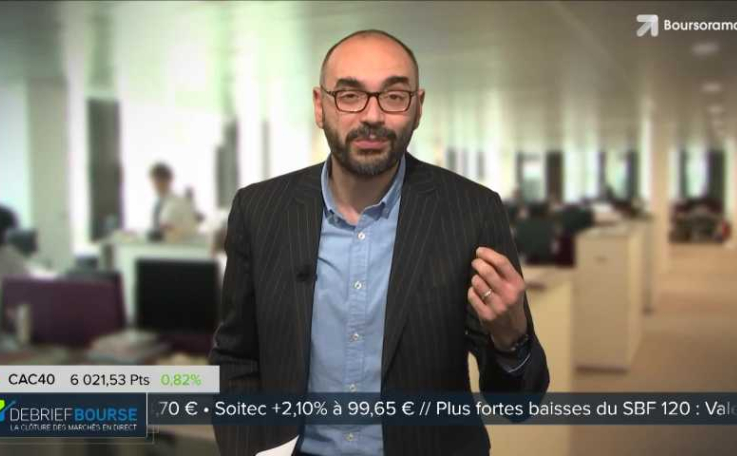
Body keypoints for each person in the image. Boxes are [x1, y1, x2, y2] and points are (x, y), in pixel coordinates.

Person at [209, 30, 549, 456]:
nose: (372, 115)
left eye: (394, 96)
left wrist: (512, 338)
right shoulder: (260, 211)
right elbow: (235, 357)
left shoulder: (473, 211)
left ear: (418, 107)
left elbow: (517, 404)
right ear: (320, 105)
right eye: (350, 95)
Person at [149, 163, 199, 241]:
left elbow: (192, 230)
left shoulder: (181, 203)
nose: (157, 185)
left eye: (160, 181)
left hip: (177, 246)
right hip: (156, 246)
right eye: (155, 181)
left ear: (169, 180)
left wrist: (174, 229)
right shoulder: (157, 204)